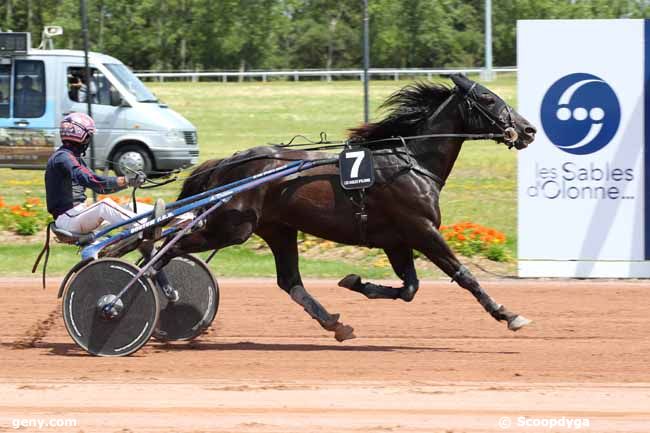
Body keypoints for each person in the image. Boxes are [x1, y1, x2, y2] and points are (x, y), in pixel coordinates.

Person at [45, 112, 163, 234]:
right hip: (68, 219)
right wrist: (126, 180)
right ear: (81, 136)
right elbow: (91, 180)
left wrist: (128, 183)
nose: (89, 140)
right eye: (89, 136)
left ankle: (171, 218)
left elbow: (101, 189)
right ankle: (146, 227)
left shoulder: (72, 158)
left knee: (131, 207)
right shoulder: (63, 158)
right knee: (104, 206)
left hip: (77, 215)